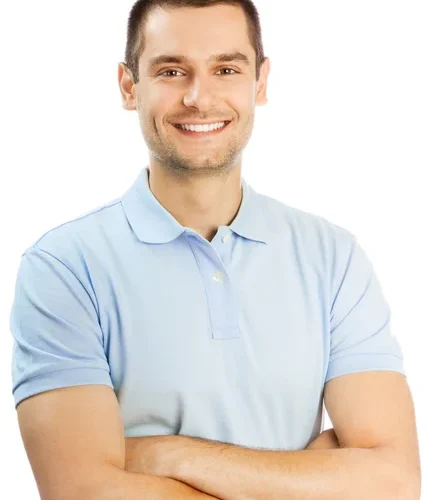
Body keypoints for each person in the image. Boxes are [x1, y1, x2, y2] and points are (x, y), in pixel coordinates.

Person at [10, 1, 420, 499]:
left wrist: (168, 454)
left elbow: (394, 481)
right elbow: (84, 491)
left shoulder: (333, 258)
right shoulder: (64, 268)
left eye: (226, 69)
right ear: (128, 86)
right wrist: (312, 479)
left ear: (260, 83)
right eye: (171, 71)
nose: (199, 98)